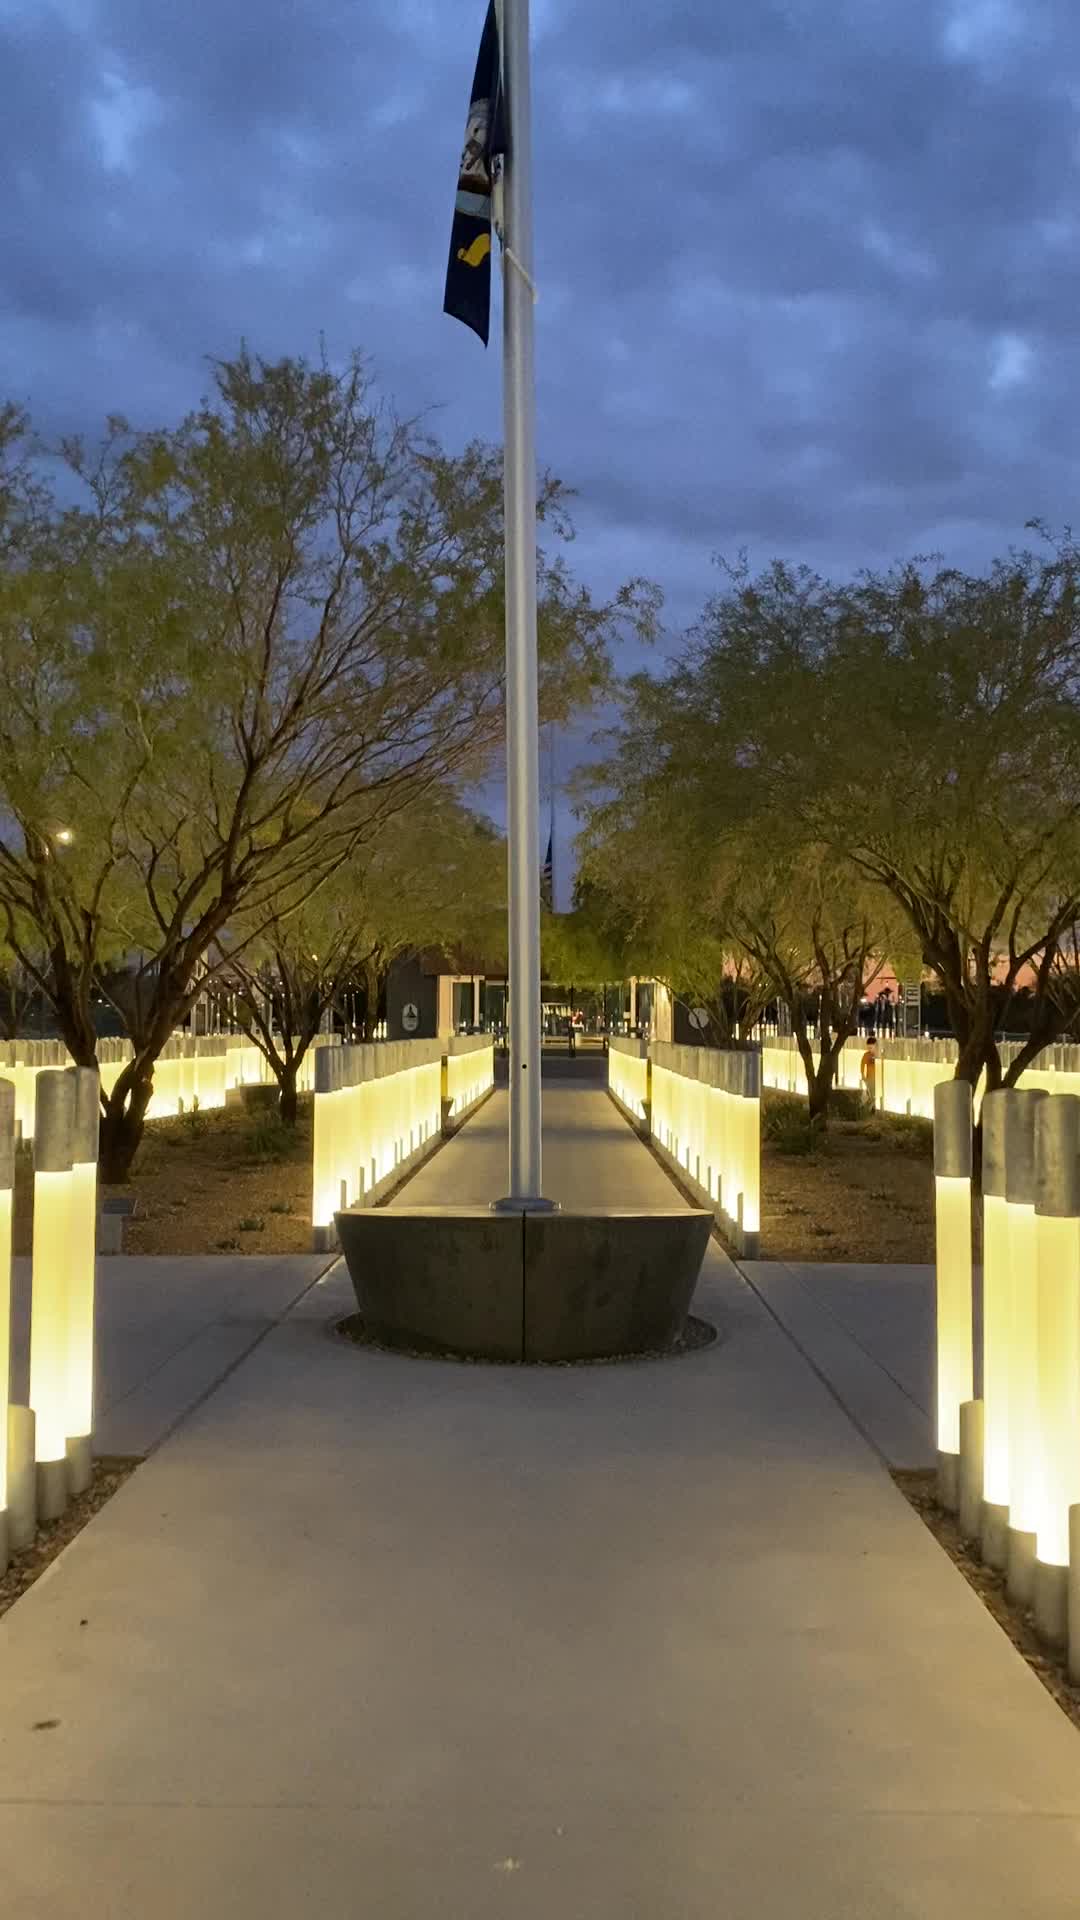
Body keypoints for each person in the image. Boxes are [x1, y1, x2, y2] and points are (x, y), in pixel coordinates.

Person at [860, 1035, 877, 1111]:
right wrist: (862, 1075)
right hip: (869, 1078)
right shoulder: (866, 1055)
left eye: (871, 1048)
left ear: (875, 1046)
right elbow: (862, 1065)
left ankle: (872, 1107)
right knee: (870, 1093)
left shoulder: (878, 1055)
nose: (869, 1050)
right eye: (868, 1048)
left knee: (873, 1094)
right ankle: (871, 1107)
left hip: (877, 1078)